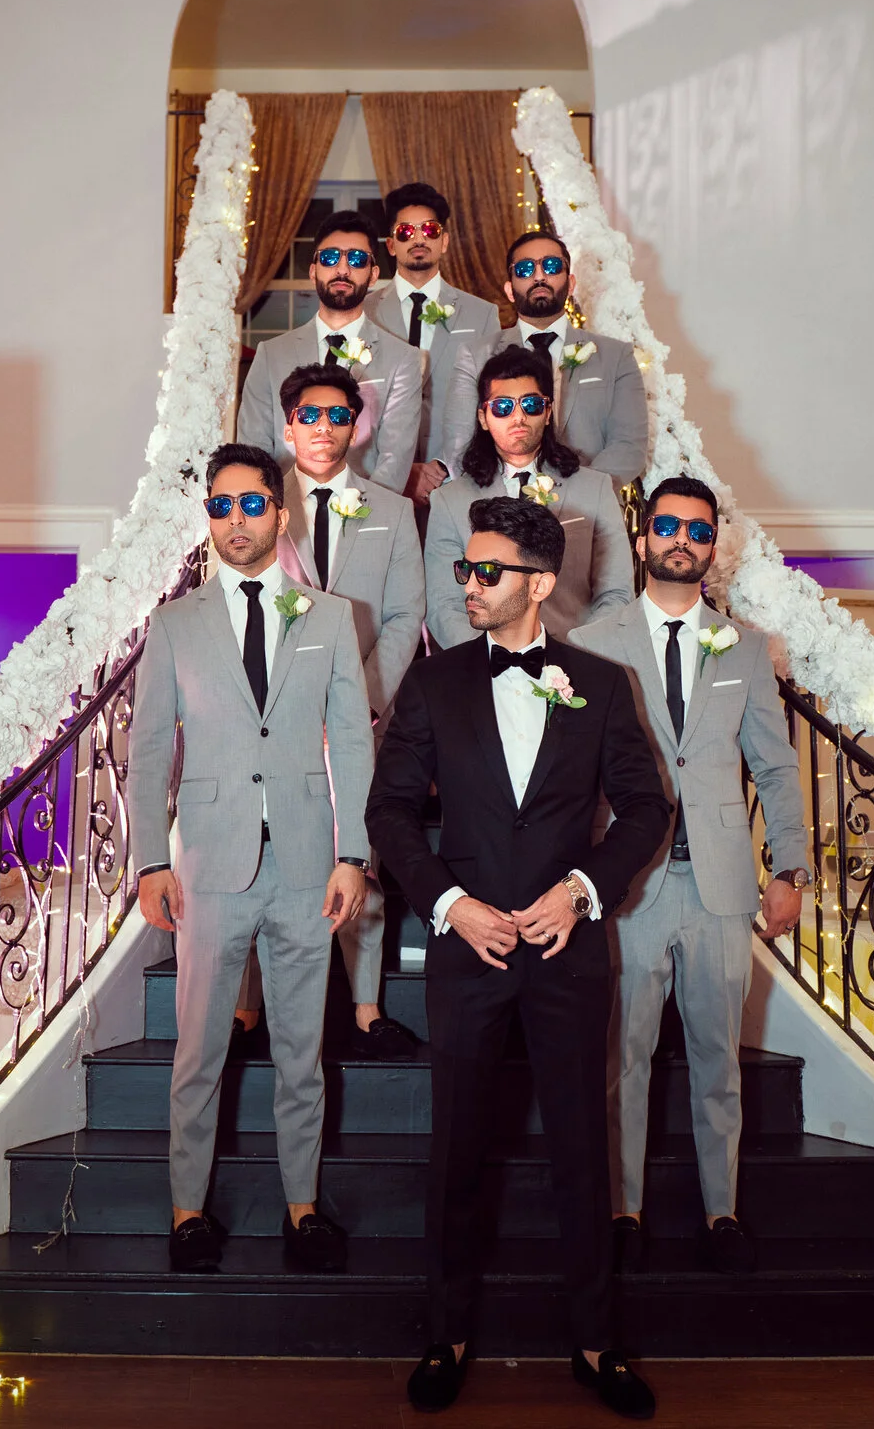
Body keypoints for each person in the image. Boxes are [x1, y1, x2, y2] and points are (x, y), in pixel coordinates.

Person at [366, 496, 671, 1420]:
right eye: (465, 568)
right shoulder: (434, 683)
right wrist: (450, 907)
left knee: (582, 1151)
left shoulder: (602, 685)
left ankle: (596, 1343)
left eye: (487, 571)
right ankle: (445, 1335)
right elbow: (389, 811)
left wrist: (580, 892)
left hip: (568, 955)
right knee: (457, 1150)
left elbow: (646, 810)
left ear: (540, 583)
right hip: (467, 954)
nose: (469, 583)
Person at [127, 442, 375, 1276]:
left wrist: (353, 853)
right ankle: (188, 1211)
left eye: (252, 503)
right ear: (210, 518)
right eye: (221, 506)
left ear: (280, 511)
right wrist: (149, 862)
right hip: (207, 869)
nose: (237, 519)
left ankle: (302, 1208)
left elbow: (352, 740)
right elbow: (149, 750)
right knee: (199, 1051)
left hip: (308, 867)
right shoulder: (175, 624)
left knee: (302, 1052)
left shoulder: (330, 617)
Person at [571, 474, 812, 1277]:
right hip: (628, 886)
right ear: (643, 538)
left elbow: (774, 768)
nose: (682, 540)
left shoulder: (744, 648)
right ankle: (623, 1209)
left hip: (721, 886)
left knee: (718, 1059)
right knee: (622, 1060)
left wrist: (790, 869)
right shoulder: (593, 643)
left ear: (713, 546)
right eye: (669, 526)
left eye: (698, 530)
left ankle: (722, 1211)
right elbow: (571, 774)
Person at [273, 361, 426, 1058]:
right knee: (266, 853)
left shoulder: (390, 511)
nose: (324, 427)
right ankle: (251, 1003)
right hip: (275, 714)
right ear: (289, 426)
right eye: (309, 415)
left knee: (358, 849)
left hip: (362, 711)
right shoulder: (260, 505)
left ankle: (366, 1004)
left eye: (339, 415)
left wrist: (358, 701)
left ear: (356, 428)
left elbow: (404, 617)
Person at [423, 346, 632, 649]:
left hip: (577, 654)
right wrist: (490, 660)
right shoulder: (449, 501)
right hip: (484, 662)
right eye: (503, 407)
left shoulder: (595, 488)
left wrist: (578, 657)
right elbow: (443, 606)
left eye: (531, 404)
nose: (518, 417)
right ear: (483, 417)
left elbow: (616, 593)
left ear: (547, 412)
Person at [237, 210, 425, 491]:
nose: (342, 269)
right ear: (314, 270)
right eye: (329, 257)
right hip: (286, 508)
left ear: (373, 275)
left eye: (357, 259)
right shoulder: (271, 354)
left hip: (365, 508)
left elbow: (394, 460)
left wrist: (363, 512)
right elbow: (254, 450)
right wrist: (275, 508)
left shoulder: (402, 359)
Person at [360, 182, 499, 500]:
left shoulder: (482, 315)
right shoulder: (364, 312)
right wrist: (400, 470)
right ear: (391, 245)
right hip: (376, 479)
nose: (419, 238)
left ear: (444, 241)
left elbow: (489, 399)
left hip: (458, 481)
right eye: (406, 231)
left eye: (430, 230)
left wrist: (446, 466)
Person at [490, 229, 646, 487]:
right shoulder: (480, 354)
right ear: (509, 289)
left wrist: (574, 493)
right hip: (504, 502)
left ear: (571, 283)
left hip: (590, 504)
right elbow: (466, 441)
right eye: (525, 269)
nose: (539, 276)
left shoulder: (616, 356)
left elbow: (629, 447)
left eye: (551, 266)